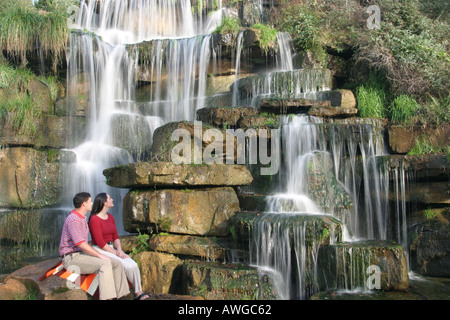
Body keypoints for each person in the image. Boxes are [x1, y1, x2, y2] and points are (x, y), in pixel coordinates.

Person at [58, 192, 130, 300]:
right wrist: (100, 255)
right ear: (83, 204)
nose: (92, 203)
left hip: (81, 255)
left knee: (116, 263)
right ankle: (108, 298)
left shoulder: (82, 218)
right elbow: (81, 244)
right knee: (104, 264)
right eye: (90, 201)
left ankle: (122, 296)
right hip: (72, 258)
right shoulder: (74, 219)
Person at [88, 192, 150, 300]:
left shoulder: (110, 217)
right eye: (109, 198)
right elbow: (100, 242)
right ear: (104, 203)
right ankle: (134, 293)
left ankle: (138, 292)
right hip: (100, 249)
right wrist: (116, 254)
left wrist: (120, 250)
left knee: (133, 264)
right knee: (126, 265)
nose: (112, 199)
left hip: (111, 248)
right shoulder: (94, 219)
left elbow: (115, 236)